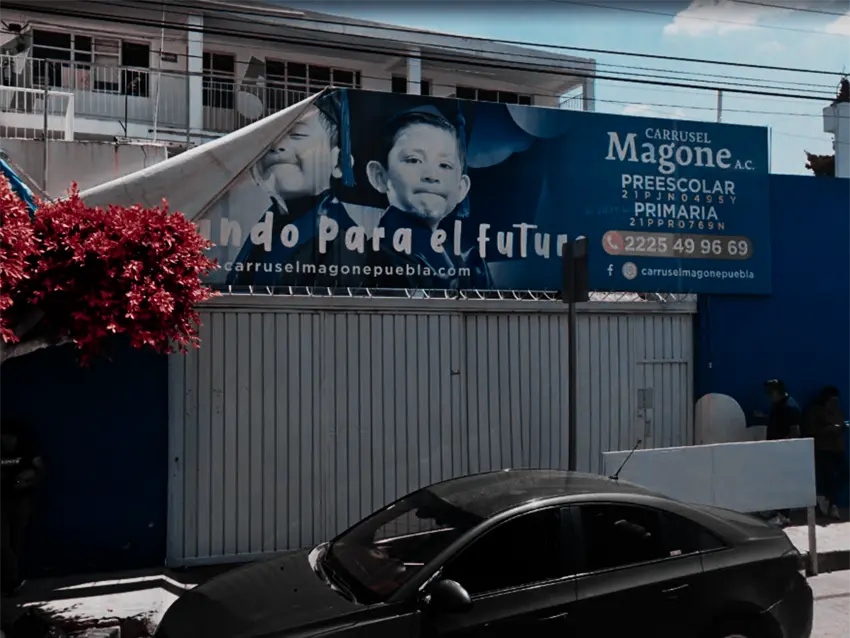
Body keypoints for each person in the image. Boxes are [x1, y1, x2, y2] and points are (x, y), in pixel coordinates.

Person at [227, 91, 364, 288]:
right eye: (270, 138)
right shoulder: (270, 224)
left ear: (338, 163)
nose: (277, 146)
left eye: (297, 135)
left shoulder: (344, 239)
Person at [365, 105, 492, 290]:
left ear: (461, 188)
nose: (431, 176)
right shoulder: (370, 257)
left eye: (445, 165)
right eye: (413, 160)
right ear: (379, 176)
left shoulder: (468, 257)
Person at [0, 417, 44, 596]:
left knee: (16, 541)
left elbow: (40, 471)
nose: (8, 440)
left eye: (11, 436)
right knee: (3, 543)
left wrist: (26, 482)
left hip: (21, 500)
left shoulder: (26, 451)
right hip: (1, 501)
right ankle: (10, 580)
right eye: (5, 436)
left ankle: (12, 581)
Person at [803, 386, 847, 520]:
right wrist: (830, 429)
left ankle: (827, 500)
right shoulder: (814, 412)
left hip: (837, 449)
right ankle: (830, 504)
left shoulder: (838, 411)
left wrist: (841, 428)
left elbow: (839, 427)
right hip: (823, 450)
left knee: (844, 474)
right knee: (829, 477)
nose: (834, 403)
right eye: (831, 401)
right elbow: (810, 430)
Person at [764, 379, 802, 527]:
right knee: (776, 482)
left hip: (784, 452)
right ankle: (777, 510)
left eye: (769, 393)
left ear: (777, 392)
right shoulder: (779, 406)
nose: (767, 396)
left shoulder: (789, 407)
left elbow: (795, 432)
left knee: (784, 483)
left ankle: (784, 515)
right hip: (776, 451)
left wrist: (783, 448)